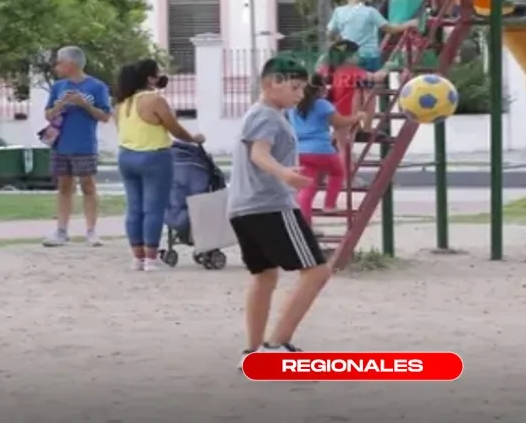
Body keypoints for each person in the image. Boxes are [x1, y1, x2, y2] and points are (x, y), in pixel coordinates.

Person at [229, 57, 332, 361]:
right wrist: (286, 174)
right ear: (271, 83)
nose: (300, 96)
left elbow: (260, 155)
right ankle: (276, 346)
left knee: (265, 275)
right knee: (317, 271)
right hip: (269, 205)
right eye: (295, 88)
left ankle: (254, 350)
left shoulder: (261, 114)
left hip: (243, 207)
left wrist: (285, 170)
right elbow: (259, 154)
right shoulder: (267, 116)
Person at [115, 59, 205, 271]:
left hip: (126, 157)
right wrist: (194, 138)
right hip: (154, 157)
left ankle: (137, 258)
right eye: (157, 73)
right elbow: (174, 128)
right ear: (150, 78)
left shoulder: (121, 104)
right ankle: (151, 258)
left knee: (134, 208)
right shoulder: (155, 101)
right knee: (154, 208)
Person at [42, 46, 113, 247]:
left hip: (84, 143)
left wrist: (85, 105)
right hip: (61, 144)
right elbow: (48, 115)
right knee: (64, 186)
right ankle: (61, 231)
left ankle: (91, 231)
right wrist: (60, 105)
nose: (56, 67)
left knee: (88, 186)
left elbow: (105, 116)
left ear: (70, 64)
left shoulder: (97, 87)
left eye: (59, 63)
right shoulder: (58, 87)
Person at [288, 74, 369, 222]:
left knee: (307, 188)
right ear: (320, 89)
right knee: (338, 173)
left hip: (300, 151)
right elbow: (339, 123)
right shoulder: (322, 105)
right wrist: (357, 117)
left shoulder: (293, 106)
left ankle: (305, 225)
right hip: (321, 150)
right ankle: (329, 204)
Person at [326, 0, 417, 72]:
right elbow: (390, 29)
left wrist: (338, 41)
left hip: (348, 57)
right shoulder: (370, 12)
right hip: (369, 56)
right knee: (372, 82)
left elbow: (330, 33)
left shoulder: (339, 11)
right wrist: (409, 23)